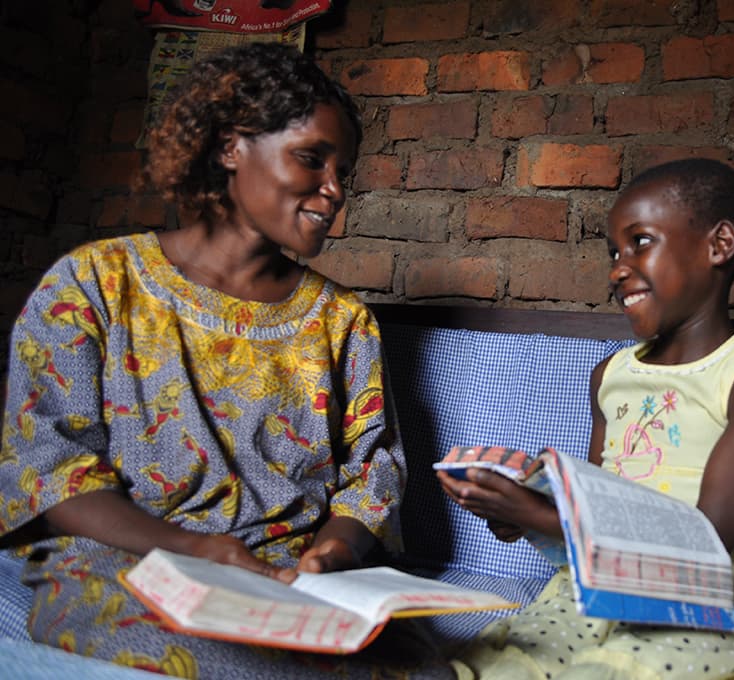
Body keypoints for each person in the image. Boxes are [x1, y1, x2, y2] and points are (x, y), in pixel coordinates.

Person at [0, 43, 452, 679]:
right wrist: (199, 551)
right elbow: (53, 471)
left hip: (286, 576)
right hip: (131, 556)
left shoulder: (341, 320)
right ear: (231, 148)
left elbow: (373, 473)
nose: (334, 192)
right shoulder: (95, 284)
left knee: (424, 669)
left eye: (343, 171)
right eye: (312, 159)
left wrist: (331, 553)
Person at [437, 159, 734, 679]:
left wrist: (547, 520)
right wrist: (522, 512)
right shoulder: (611, 373)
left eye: (641, 243)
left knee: (627, 668)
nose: (617, 268)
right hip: (599, 580)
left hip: (704, 594)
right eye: (614, 251)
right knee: (506, 659)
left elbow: (709, 545)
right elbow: (597, 501)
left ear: (719, 245)